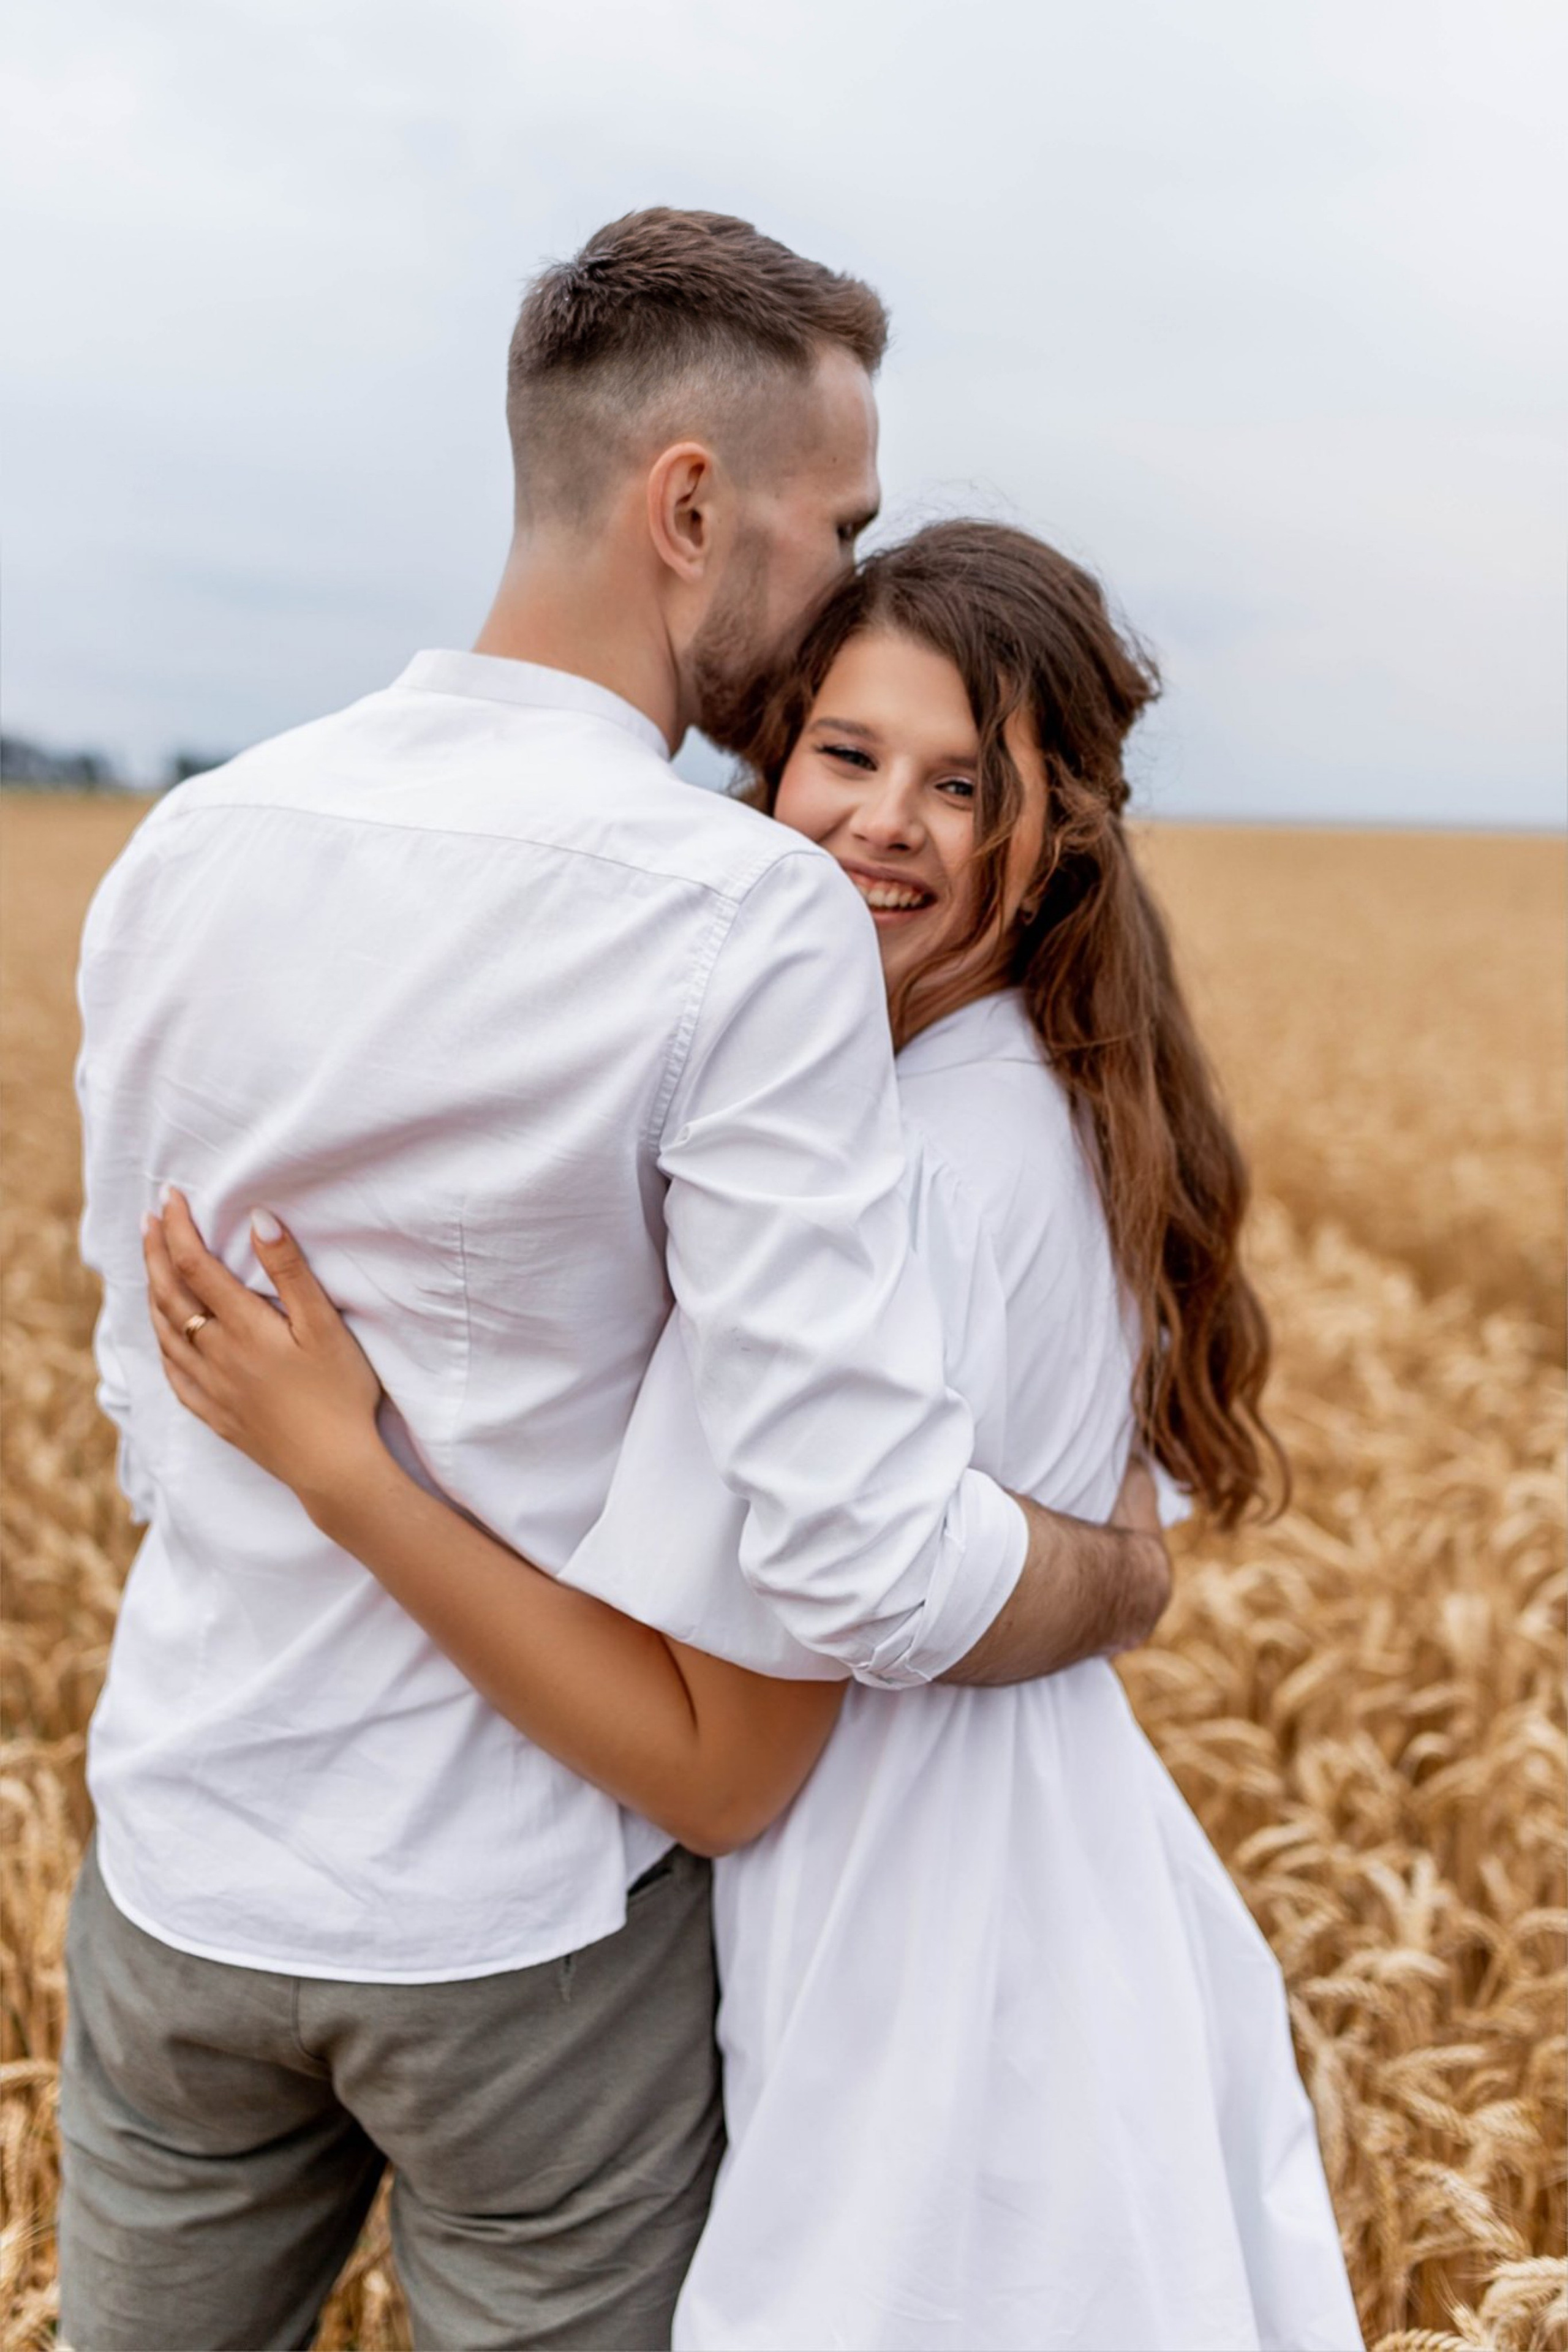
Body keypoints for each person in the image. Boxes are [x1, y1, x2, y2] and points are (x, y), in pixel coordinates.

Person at [65, 213, 1169, 2352]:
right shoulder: (738, 919)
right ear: (690, 506)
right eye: (832, 522)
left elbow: (149, 1377)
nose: (847, 573)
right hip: (522, 1933)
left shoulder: (193, 843)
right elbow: (852, 1570)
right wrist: (1115, 1577)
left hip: (186, 1863)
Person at [143, 521, 1365, 2351]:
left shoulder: (871, 1190)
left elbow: (719, 1773)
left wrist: (341, 1470)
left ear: (1060, 840)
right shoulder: (1042, 1087)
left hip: (916, 1985)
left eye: (966, 784)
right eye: (848, 756)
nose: (886, 821)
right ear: (771, 760)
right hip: (1051, 1901)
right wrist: (1115, 1578)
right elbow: (1095, 1536)